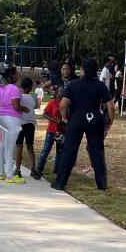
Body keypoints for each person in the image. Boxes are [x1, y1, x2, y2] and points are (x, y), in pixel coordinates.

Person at [52, 59, 116, 191]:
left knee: (69, 151)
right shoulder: (100, 86)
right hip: (94, 118)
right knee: (97, 152)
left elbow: (63, 104)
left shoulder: (72, 84)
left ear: (82, 70)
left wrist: (65, 117)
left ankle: (60, 182)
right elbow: (111, 107)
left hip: (76, 117)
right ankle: (102, 184)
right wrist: (109, 123)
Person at [0, 66, 30, 182]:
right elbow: (16, 106)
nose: (17, 76)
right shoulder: (14, 89)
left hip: (1, 118)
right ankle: (10, 175)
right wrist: (26, 109)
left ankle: (1, 172)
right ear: (10, 76)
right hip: (12, 120)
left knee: (2, 145)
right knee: (10, 147)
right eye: (15, 74)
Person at [15, 77, 41, 180]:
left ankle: (17, 170)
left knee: (19, 147)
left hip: (20, 123)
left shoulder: (19, 97)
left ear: (20, 86)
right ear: (31, 87)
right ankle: (33, 169)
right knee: (30, 147)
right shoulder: (33, 97)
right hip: (30, 124)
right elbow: (35, 107)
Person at [36, 87, 64, 174]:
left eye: (63, 91)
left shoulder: (67, 103)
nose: (62, 93)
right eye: (60, 91)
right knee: (46, 150)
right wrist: (54, 120)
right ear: (56, 92)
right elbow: (44, 114)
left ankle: (57, 169)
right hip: (51, 130)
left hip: (62, 131)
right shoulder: (52, 102)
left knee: (60, 151)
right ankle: (39, 169)